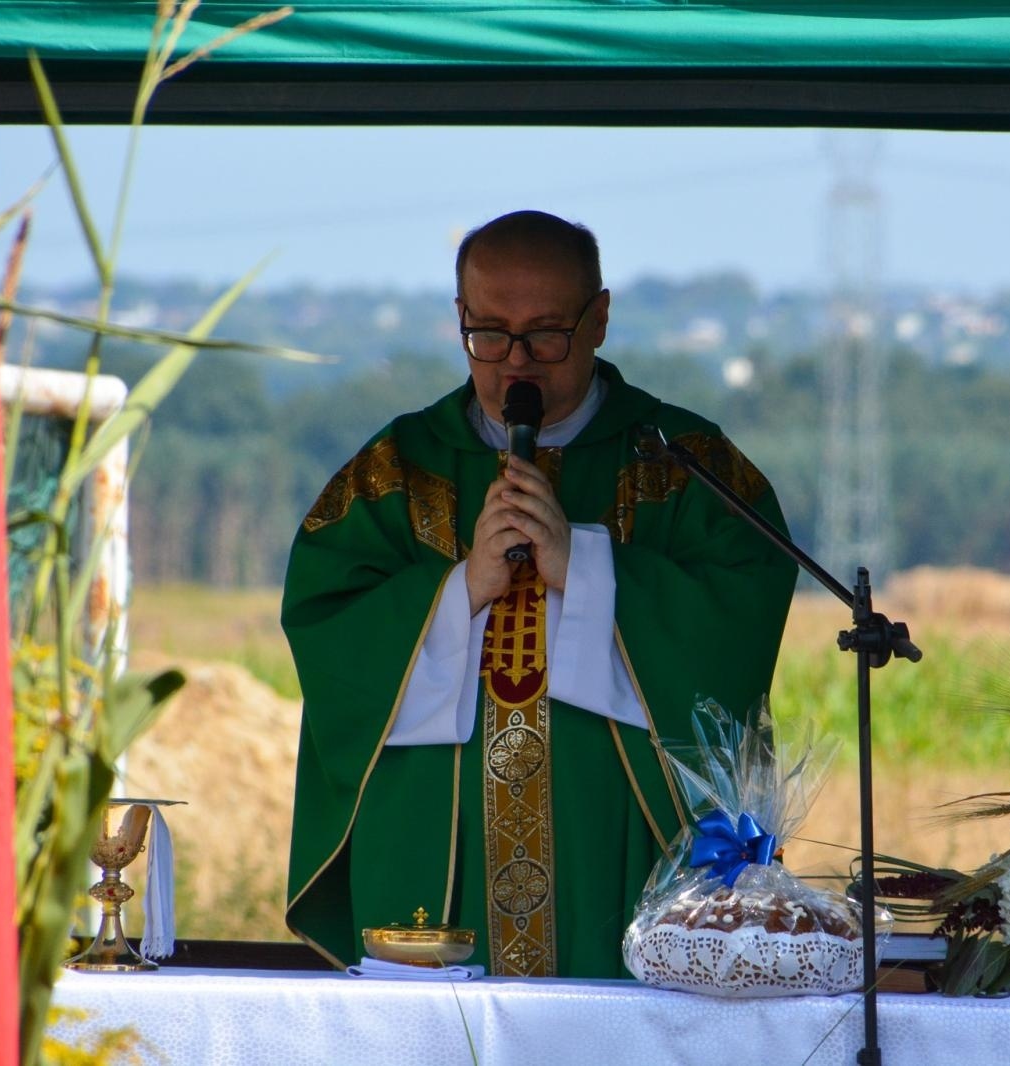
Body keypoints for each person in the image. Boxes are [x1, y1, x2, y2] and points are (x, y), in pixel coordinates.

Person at [282, 210, 797, 978]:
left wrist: (585, 569)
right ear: (460, 318)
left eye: (546, 333)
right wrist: (458, 592)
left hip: (619, 869)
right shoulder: (393, 473)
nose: (515, 363)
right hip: (439, 880)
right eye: (488, 332)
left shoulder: (683, 464)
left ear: (600, 319)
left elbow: (738, 621)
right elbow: (329, 635)